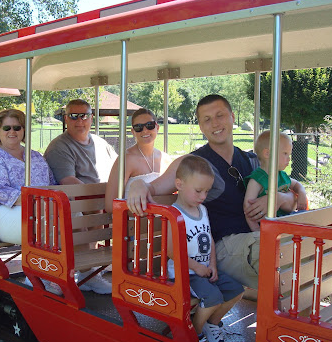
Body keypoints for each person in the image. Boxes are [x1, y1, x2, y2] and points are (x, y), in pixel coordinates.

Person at [126, 94, 296, 289]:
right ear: (200, 126)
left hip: (255, 240)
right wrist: (139, 185)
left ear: (232, 116)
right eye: (207, 119)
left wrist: (279, 198)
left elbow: (293, 196)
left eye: (220, 115)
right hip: (222, 248)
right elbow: (154, 186)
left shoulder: (253, 160)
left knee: (296, 244)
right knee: (277, 248)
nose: (215, 123)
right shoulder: (195, 164)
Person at [168, 155, 244, 342]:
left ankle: (212, 324)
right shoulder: (174, 214)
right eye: (199, 191)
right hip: (184, 274)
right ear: (180, 184)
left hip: (204, 270)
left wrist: (211, 264)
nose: (203, 196)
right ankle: (195, 331)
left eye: (206, 191)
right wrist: (196, 267)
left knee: (236, 290)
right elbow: (171, 251)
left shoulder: (203, 210)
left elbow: (208, 237)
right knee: (213, 298)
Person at [44, 99, 117, 294]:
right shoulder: (60, 147)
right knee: (91, 210)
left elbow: (118, 169)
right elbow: (67, 181)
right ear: (66, 118)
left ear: (91, 118)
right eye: (74, 116)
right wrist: (102, 198)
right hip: (75, 203)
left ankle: (138, 270)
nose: (79, 120)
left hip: (102, 200)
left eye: (84, 115)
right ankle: (86, 270)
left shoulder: (100, 143)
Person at [0, 109, 56, 245]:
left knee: (74, 215)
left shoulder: (35, 156)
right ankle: (48, 263)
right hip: (1, 213)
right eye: (7, 128)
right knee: (47, 221)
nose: (12, 132)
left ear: (23, 130)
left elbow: (52, 183)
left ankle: (81, 264)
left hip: (42, 208)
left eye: (17, 128)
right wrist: (37, 202)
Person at [104, 108, 172, 213]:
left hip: (163, 223)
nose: (145, 130)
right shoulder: (126, 160)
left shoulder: (166, 159)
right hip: (134, 223)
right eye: (138, 127)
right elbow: (110, 205)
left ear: (157, 127)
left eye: (150, 125)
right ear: (133, 132)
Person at [243, 131, 308, 231]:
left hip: (285, 220)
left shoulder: (281, 175)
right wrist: (257, 232)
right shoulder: (257, 180)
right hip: (268, 226)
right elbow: (248, 209)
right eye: (285, 153)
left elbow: (296, 185)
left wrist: (302, 193)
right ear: (267, 153)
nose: (289, 158)